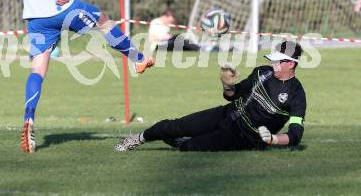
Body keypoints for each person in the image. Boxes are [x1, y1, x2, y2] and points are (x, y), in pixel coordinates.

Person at [20, 0, 154, 153]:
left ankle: (28, 117)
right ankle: (138, 59)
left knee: (38, 68)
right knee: (103, 20)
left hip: (35, 16)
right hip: (61, 8)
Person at [115, 41, 306, 152]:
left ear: (291, 64)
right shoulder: (262, 72)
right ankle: (137, 139)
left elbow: (296, 135)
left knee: (189, 147)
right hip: (226, 114)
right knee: (175, 125)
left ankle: (181, 141)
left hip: (244, 138)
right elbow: (232, 95)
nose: (273, 64)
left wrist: (273, 139)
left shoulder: (297, 95)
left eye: (278, 61)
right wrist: (227, 84)